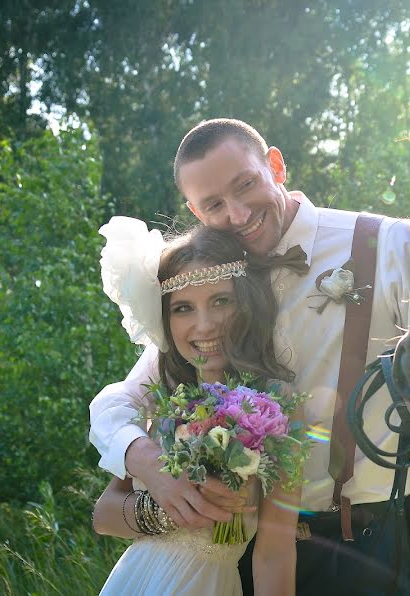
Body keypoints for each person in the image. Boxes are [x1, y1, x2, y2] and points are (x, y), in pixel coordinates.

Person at [90, 118, 410, 595]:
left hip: (359, 542)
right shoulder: (210, 283)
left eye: (246, 184)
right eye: (214, 205)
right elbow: (117, 404)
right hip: (236, 560)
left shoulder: (384, 244)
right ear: (195, 212)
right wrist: (152, 469)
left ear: (276, 165)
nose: (239, 213)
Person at [93, 221, 300, 596]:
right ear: (165, 320)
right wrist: (166, 503)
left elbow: (274, 552)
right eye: (183, 308)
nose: (204, 326)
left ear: (246, 303)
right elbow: (104, 514)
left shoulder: (274, 404)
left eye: (221, 301)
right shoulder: (165, 393)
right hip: (138, 579)